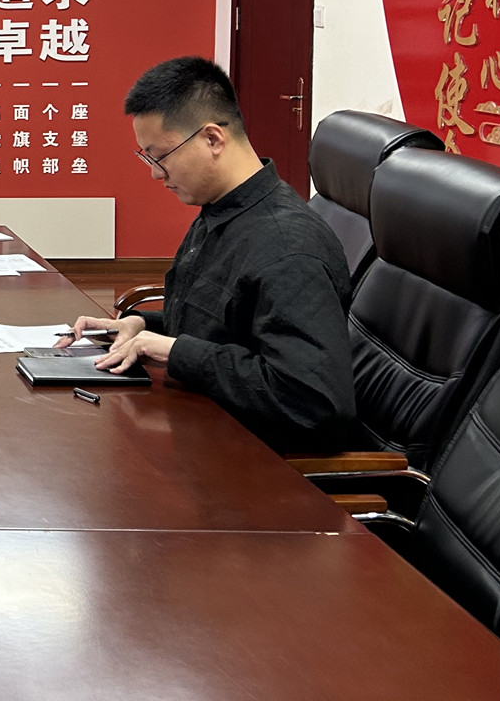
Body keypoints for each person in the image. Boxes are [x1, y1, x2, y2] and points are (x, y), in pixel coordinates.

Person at [60, 55, 355, 454]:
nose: (155, 173)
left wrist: (175, 350)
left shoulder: (288, 249)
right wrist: (140, 326)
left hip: (252, 462)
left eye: (160, 156)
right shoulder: (222, 210)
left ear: (213, 139)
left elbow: (312, 401)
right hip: (202, 423)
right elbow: (223, 325)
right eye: (147, 157)